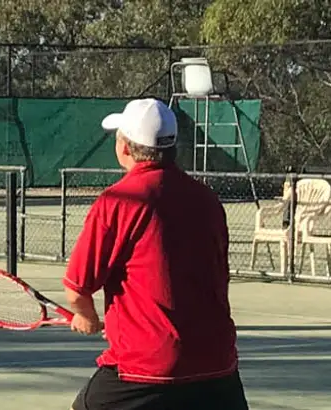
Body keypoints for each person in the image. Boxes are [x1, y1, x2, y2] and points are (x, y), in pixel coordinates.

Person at [64, 98, 245, 410]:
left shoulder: (118, 201)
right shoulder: (208, 200)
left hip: (146, 367)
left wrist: (86, 315)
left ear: (124, 147)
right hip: (217, 363)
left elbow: (77, 288)